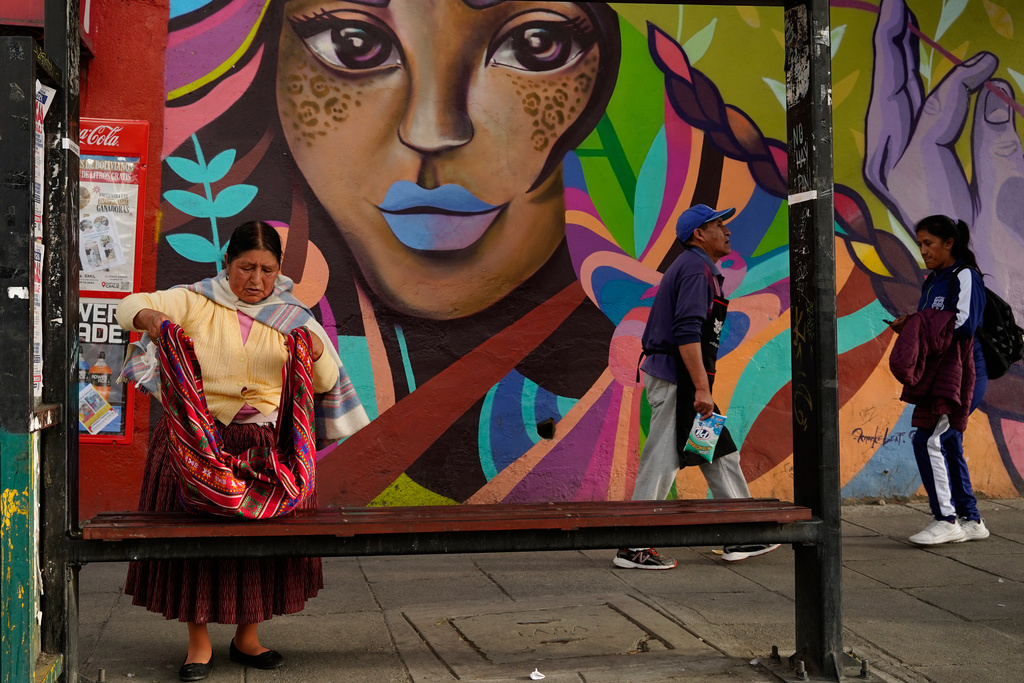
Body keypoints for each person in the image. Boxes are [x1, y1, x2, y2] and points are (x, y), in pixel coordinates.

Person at [116, 221, 369, 681]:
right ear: (226, 263)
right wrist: (151, 319)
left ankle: (247, 637)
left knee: (259, 547)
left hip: (265, 449)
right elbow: (131, 305)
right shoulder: (195, 300)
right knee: (194, 542)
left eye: (267, 270)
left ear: (279, 272)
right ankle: (198, 645)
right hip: (194, 443)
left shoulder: (293, 316)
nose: (256, 280)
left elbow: (328, 380)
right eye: (246, 267)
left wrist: (314, 352)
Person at [614, 205, 779, 570]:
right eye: (718, 224)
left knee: (717, 451)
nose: (727, 231)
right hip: (680, 380)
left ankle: (744, 532)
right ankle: (634, 545)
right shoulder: (693, 268)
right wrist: (702, 389)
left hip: (687, 380)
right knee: (662, 460)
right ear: (699, 234)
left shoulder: (700, 268)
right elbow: (687, 331)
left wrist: (701, 387)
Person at [888, 215, 990, 545]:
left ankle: (946, 519)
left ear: (949, 244)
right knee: (947, 440)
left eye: (928, 243)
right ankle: (971, 520)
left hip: (964, 373)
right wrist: (912, 325)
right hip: (942, 373)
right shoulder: (933, 280)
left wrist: (919, 324)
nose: (923, 250)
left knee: (928, 439)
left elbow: (964, 325)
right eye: (919, 244)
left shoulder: (965, 275)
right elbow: (934, 325)